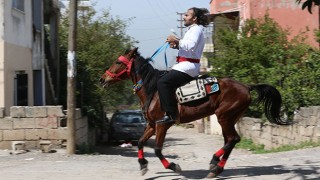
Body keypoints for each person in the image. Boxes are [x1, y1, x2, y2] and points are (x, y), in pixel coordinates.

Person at [157, 7, 209, 124]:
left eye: (186, 15)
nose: (184, 17)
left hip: (188, 66)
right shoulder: (192, 30)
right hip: (184, 65)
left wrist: (176, 40)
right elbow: (189, 48)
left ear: (194, 18)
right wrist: (176, 45)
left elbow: (190, 45)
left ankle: (170, 114)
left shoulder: (196, 30)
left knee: (162, 82)